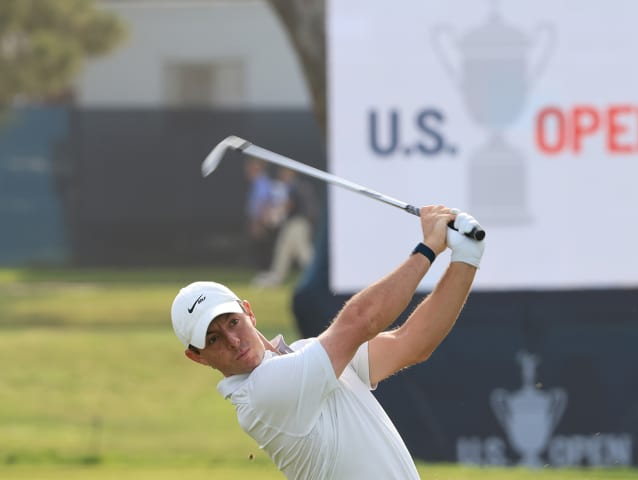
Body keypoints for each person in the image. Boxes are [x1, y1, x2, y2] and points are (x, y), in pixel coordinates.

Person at [170, 206, 485, 479]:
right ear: (198, 357)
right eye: (214, 339)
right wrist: (430, 247)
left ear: (248, 312)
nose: (233, 340)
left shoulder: (308, 357)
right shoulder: (263, 393)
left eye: (232, 322)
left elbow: (413, 343)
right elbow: (361, 320)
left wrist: (466, 256)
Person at [252, 167, 318, 287]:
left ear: (290, 174)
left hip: (297, 223)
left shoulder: (294, 186)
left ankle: (316, 275)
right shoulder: (300, 186)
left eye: (284, 174)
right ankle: (276, 277)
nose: (282, 176)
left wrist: (274, 214)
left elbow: (289, 205)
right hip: (299, 223)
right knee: (285, 250)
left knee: (302, 252)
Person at [244, 157, 276, 269]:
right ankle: (264, 271)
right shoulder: (258, 182)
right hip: (260, 219)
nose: (247, 170)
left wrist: (258, 222)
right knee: (261, 247)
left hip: (262, 220)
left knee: (263, 248)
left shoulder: (261, 182)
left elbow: (263, 203)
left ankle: (265, 272)